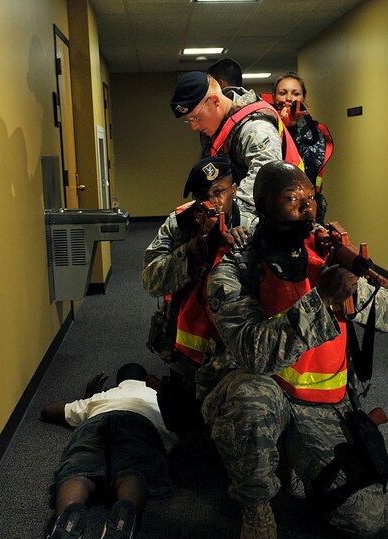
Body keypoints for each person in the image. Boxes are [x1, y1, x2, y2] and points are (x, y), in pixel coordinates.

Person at [196, 161, 388, 539]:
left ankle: (294, 455)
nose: (306, 209)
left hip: (320, 406)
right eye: (292, 200)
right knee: (251, 397)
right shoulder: (235, 268)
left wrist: (356, 284)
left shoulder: (326, 256)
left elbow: (383, 307)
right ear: (262, 208)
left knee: (366, 518)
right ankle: (257, 512)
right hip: (262, 389)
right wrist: (321, 300)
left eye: (310, 199)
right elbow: (254, 350)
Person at [143, 156, 257, 435]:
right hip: (187, 344)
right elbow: (150, 279)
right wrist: (191, 252)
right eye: (203, 196)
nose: (212, 203)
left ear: (234, 189)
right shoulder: (179, 223)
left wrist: (248, 250)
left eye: (219, 192)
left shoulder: (255, 224)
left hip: (233, 346)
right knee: (186, 426)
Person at [39, 363, 177, 539]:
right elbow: (184, 425)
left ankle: (66, 519)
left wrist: (86, 398)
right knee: (134, 470)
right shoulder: (157, 396)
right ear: (145, 379)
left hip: (96, 421)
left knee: (79, 471)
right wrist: (164, 392)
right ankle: (125, 514)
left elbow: (47, 411)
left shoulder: (102, 396)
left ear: (118, 382)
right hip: (140, 422)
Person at [170, 71, 302, 213]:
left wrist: (221, 209)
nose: (193, 127)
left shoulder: (256, 129)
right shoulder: (216, 127)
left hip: (282, 215)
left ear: (215, 101)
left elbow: (264, 184)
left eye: (195, 118)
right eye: (188, 121)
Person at [272, 71, 333, 224]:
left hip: (306, 208)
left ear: (303, 99)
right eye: (282, 93)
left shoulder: (312, 130)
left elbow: (312, 163)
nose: (289, 98)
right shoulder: (267, 128)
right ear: (274, 98)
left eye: (295, 93)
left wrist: (298, 122)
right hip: (273, 209)